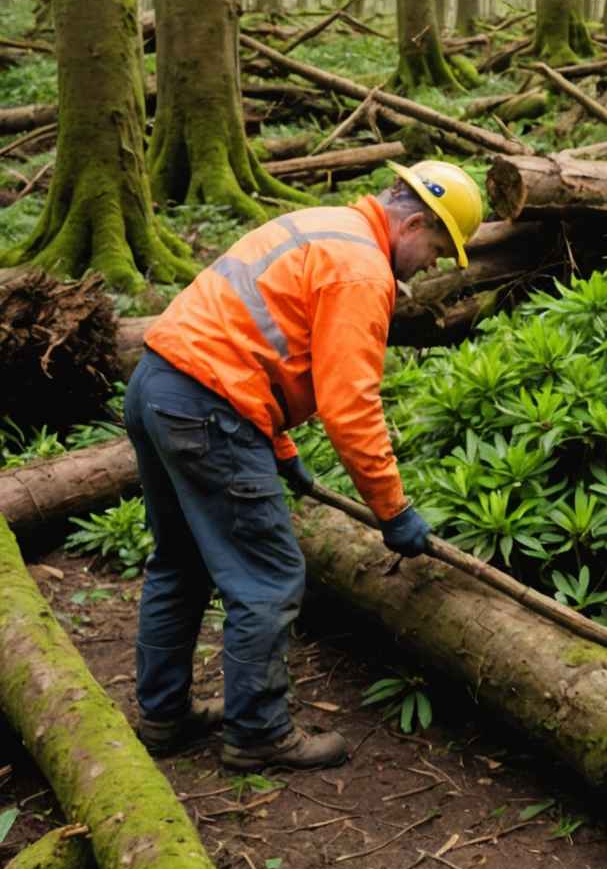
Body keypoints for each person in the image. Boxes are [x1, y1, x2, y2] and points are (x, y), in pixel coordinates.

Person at [126, 161, 484, 771]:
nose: (433, 266)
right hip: (209, 409)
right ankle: (258, 733)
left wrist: (282, 450)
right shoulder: (362, 272)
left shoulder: (325, 225)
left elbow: (261, 338)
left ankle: (162, 715)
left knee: (180, 560)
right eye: (437, 249)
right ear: (415, 221)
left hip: (160, 385)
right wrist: (393, 510)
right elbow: (351, 406)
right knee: (268, 579)